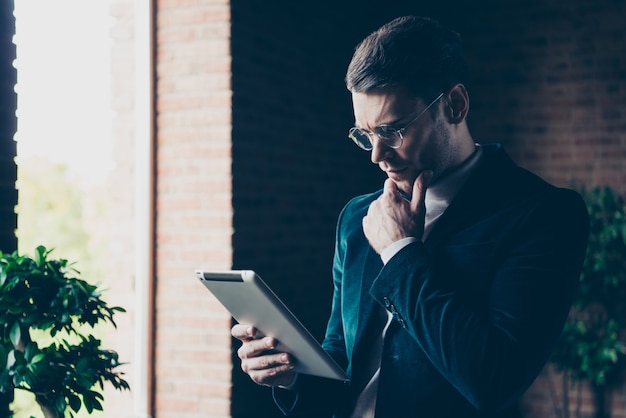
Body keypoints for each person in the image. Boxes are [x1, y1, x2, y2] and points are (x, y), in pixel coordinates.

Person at [231, 15, 589, 418]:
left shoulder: (544, 215)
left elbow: (494, 380)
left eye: (393, 130)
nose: (376, 156)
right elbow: (344, 362)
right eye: (365, 134)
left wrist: (401, 252)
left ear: (454, 104)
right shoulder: (356, 218)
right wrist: (292, 374)